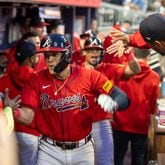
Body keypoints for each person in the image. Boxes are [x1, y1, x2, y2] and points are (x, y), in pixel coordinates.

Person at [10, 33, 130, 165]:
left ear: (66, 54)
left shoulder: (90, 76)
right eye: (47, 55)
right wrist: (11, 110)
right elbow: (28, 116)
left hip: (82, 149)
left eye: (54, 55)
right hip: (49, 150)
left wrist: (114, 103)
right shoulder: (36, 80)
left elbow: (122, 97)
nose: (49, 60)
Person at [81, 36, 141, 165]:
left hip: (101, 123)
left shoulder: (109, 68)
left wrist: (128, 53)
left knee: (106, 162)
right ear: (84, 52)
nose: (95, 53)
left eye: (97, 50)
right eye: (91, 50)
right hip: (79, 123)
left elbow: (136, 70)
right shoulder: (75, 71)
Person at [112, 48, 160, 165]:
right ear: (149, 56)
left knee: (117, 156)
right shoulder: (154, 77)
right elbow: (153, 104)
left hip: (120, 122)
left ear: (133, 54)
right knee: (138, 157)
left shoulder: (122, 70)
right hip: (141, 123)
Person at [0, 40, 40, 165]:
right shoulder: (38, 78)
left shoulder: (4, 79)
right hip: (31, 132)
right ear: (32, 59)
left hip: (9, 132)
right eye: (36, 56)